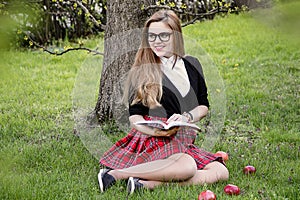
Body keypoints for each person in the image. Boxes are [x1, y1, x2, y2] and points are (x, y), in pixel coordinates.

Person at [98, 9, 229, 195]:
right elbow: (134, 117)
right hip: (152, 138)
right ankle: (114, 175)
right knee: (188, 167)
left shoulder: (192, 64)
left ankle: (145, 184)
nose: (157, 41)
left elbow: (203, 105)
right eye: (152, 36)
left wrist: (187, 116)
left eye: (163, 35)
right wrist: (154, 131)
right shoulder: (144, 70)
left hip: (181, 139)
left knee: (220, 171)